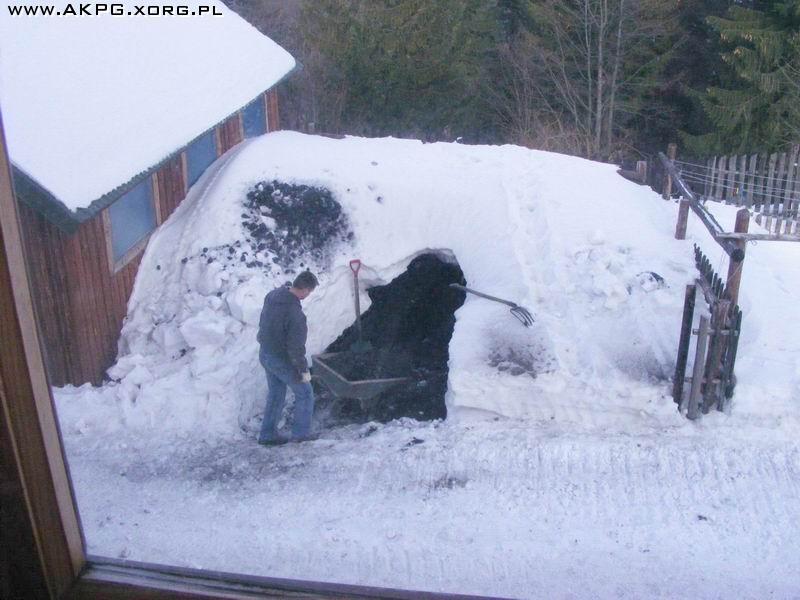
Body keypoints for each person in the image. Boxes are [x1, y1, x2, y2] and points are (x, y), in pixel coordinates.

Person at [257, 271, 319, 445]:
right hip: (281, 360)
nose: (309, 295)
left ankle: (267, 435)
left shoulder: (273, 295)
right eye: (310, 292)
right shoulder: (295, 314)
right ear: (306, 289)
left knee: (276, 393)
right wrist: (303, 370)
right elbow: (296, 348)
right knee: (305, 393)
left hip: (265, 353)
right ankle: (301, 435)